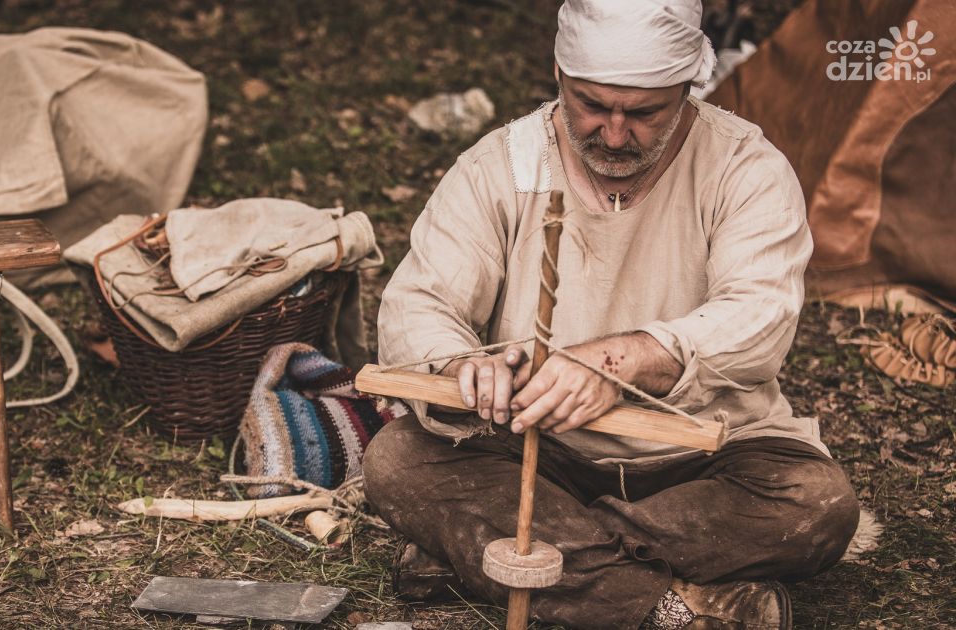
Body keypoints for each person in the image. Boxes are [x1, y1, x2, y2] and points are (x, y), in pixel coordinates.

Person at [363, 1, 860, 628]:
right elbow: (421, 302)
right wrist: (463, 364)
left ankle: (502, 556)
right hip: (537, 452)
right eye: (592, 106)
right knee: (398, 460)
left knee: (816, 504)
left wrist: (618, 361)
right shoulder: (501, 165)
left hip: (709, 456)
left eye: (644, 113)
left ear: (686, 89)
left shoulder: (744, 167)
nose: (615, 134)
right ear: (558, 75)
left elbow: (759, 318)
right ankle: (673, 608)